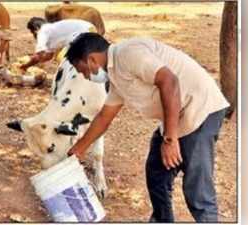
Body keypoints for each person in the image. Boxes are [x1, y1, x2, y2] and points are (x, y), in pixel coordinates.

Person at [64, 33, 230, 222]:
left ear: (91, 59)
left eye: (81, 70)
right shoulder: (116, 74)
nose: (84, 76)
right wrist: (79, 149)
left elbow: (169, 81)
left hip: (200, 109)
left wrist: (170, 139)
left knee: (197, 189)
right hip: (179, 115)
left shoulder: (128, 54)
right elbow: (104, 116)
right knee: (157, 173)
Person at [20, 17, 97, 71]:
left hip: (83, 33)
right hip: (90, 29)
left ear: (36, 29)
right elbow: (48, 56)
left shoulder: (42, 31)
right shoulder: (52, 30)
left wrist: (25, 65)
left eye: (32, 32)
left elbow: (40, 55)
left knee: (64, 60)